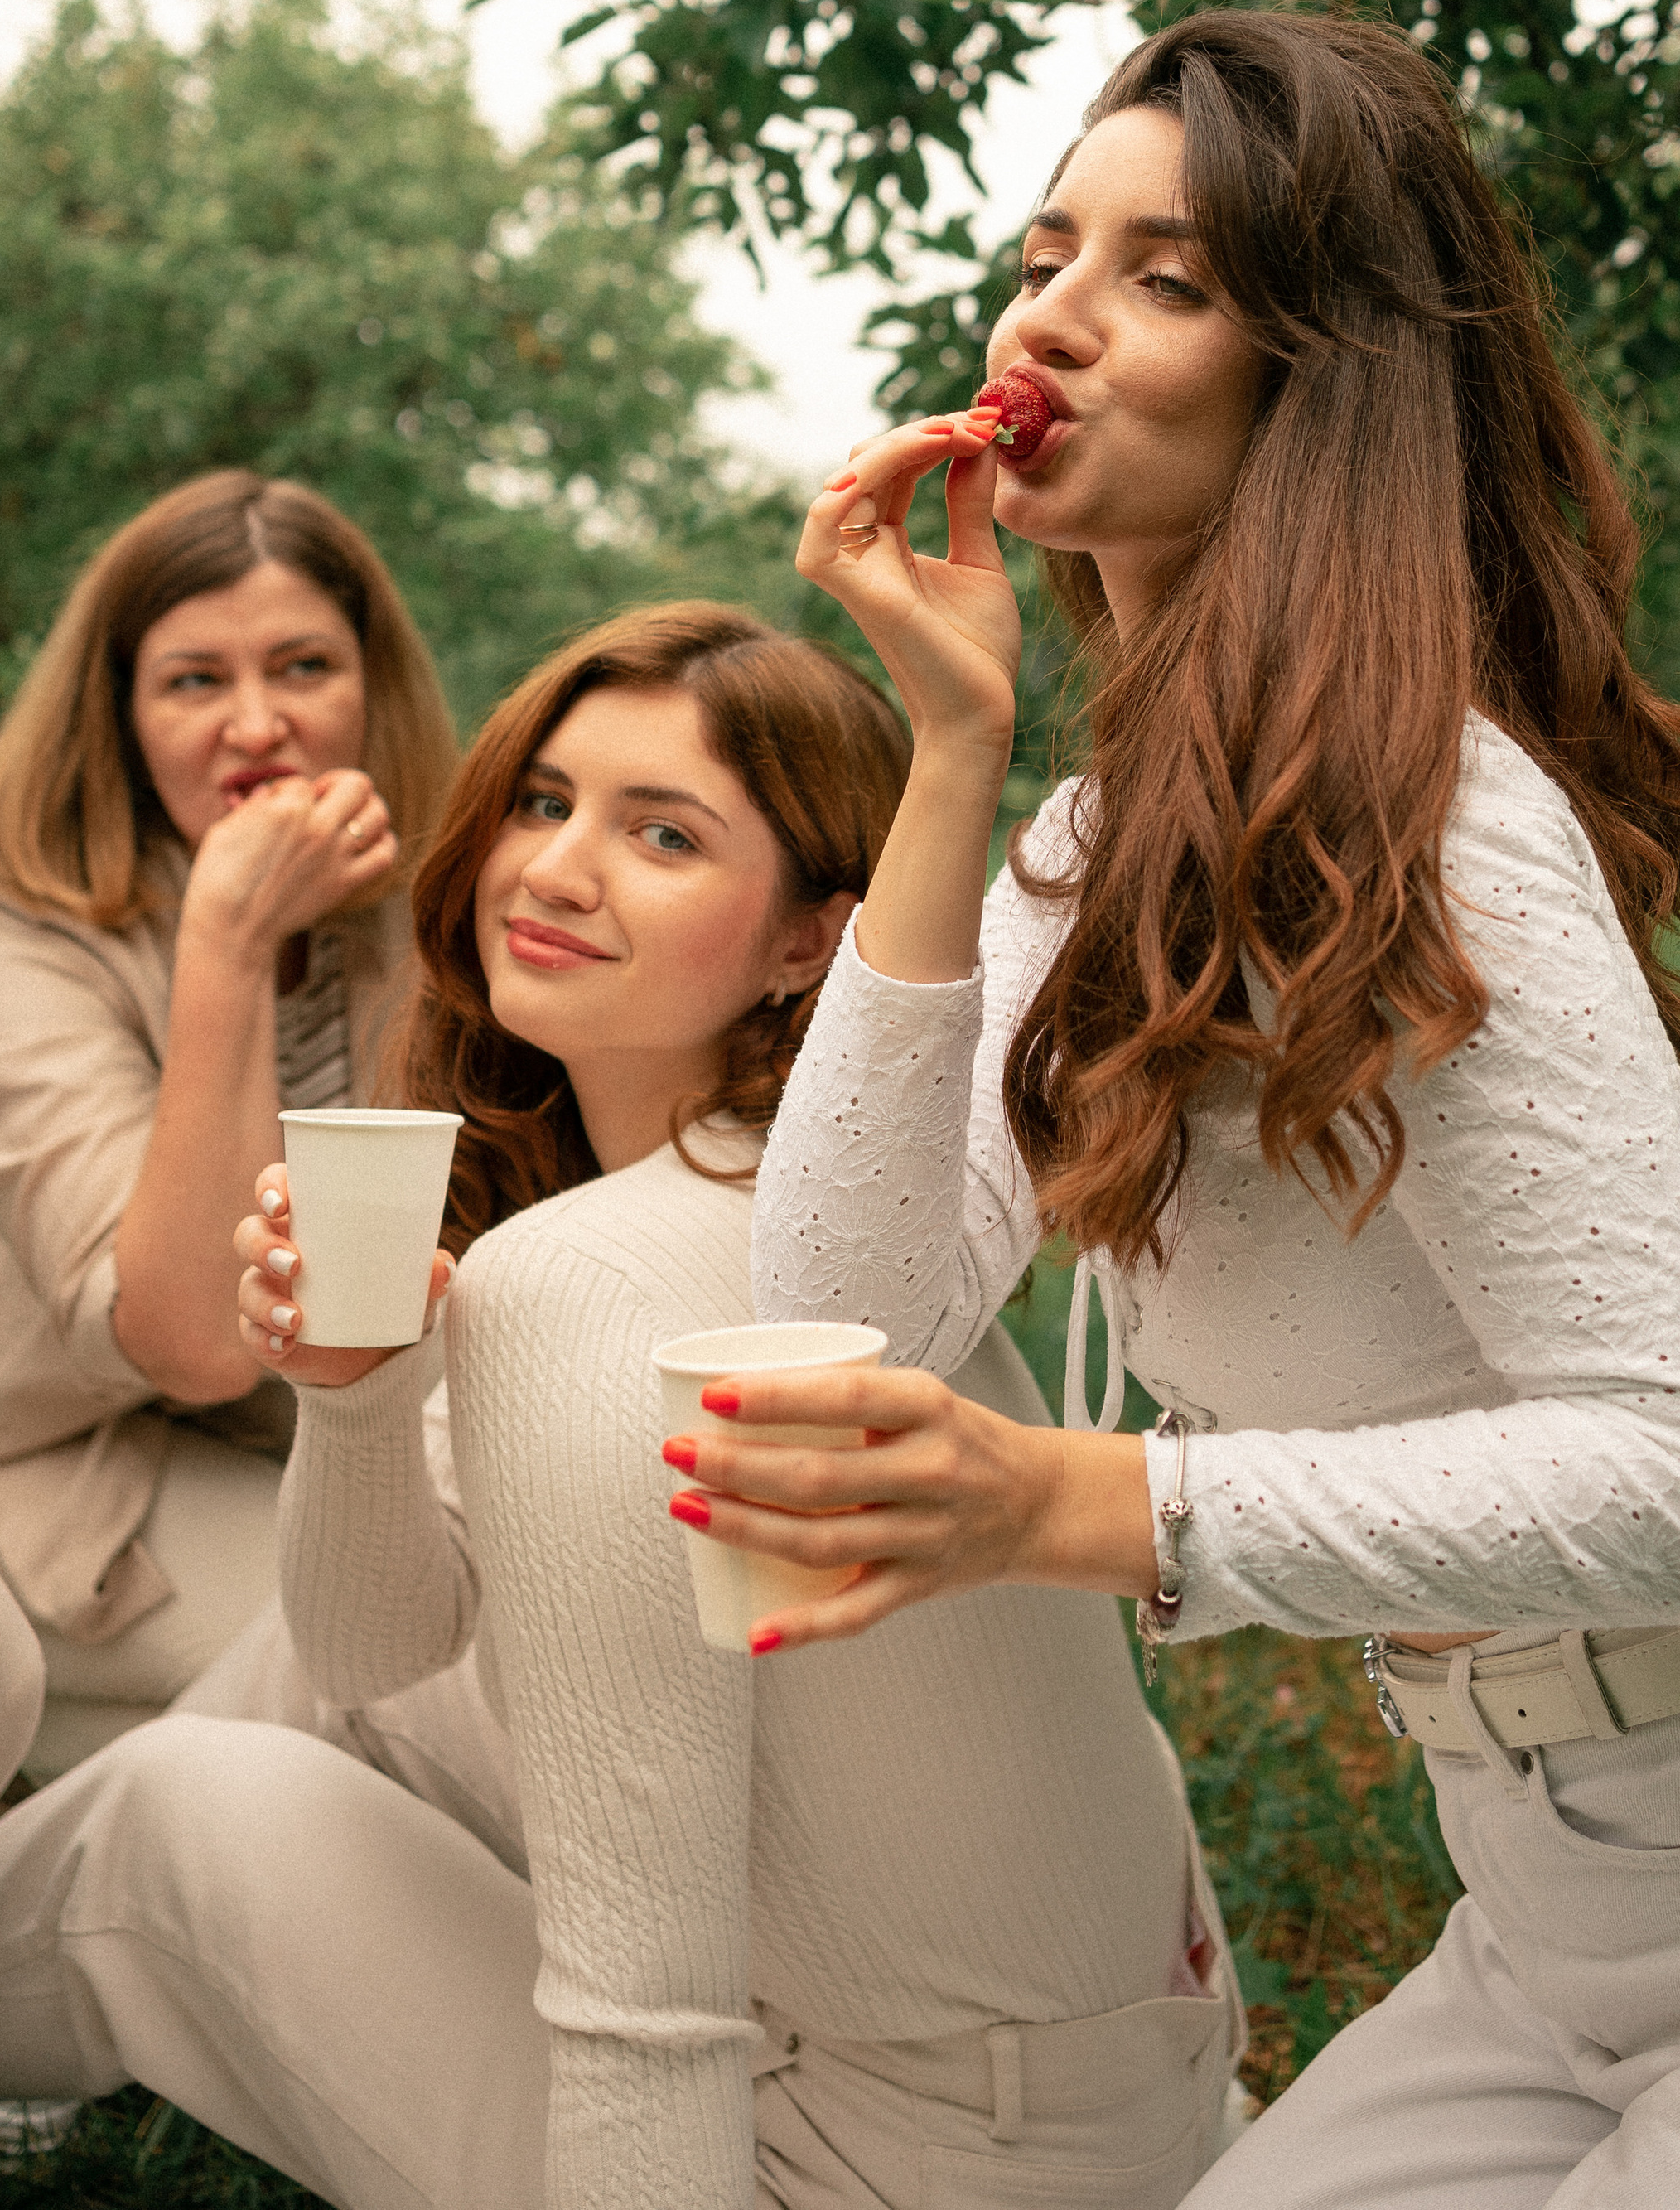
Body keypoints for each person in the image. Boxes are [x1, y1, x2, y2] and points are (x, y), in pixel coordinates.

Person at [673, 8, 1680, 2206]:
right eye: (1051, 247)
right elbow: (849, 1304)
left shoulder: (1425, 807)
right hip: (1550, 1921)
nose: (1055, 307)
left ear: (1311, 373)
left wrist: (1088, 1504)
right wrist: (947, 751)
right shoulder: (1079, 851)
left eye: (1169, 276)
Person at [223, 603, 1241, 2210]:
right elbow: (363, 1654)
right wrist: (354, 1399)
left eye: (663, 835)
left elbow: (649, 2003)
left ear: (805, 943)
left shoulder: (582, 1279)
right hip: (1142, 2109)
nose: (552, 868)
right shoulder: (861, 1223)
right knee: (261, 1687)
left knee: (182, 1808)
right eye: (545, 802)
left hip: (876, 2157)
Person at [0, 469, 458, 1777]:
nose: (258, 726)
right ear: (122, 717)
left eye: (303, 666)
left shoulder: (422, 910)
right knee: (411, 1697)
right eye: (194, 681)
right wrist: (230, 944)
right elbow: (192, 1338)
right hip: (60, 1476)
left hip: (318, 1446)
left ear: (371, 688)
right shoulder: (14, 928)